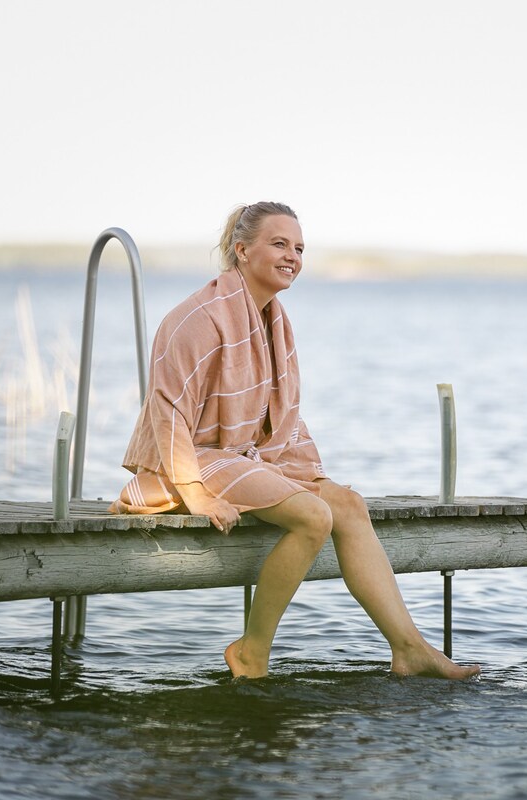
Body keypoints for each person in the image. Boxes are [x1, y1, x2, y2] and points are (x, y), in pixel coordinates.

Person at [111, 201, 480, 681]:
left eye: (299, 248)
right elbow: (168, 410)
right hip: (190, 461)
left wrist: (313, 474)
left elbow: (283, 416)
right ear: (241, 250)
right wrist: (196, 494)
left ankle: (409, 649)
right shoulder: (198, 318)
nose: (292, 256)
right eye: (279, 244)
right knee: (313, 516)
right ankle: (251, 651)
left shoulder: (275, 320)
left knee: (346, 503)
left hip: (244, 457)